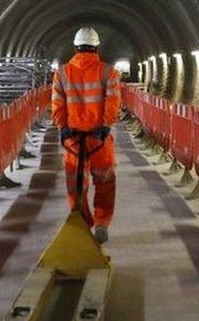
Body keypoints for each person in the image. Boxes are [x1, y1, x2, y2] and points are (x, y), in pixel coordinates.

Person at [50, 26, 121, 244]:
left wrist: (62, 128)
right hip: (99, 137)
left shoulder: (62, 73)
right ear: (97, 47)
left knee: (76, 183)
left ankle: (80, 220)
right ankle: (101, 223)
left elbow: (57, 104)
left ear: (75, 47)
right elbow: (113, 101)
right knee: (105, 181)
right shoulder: (109, 72)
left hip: (73, 138)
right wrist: (106, 126)